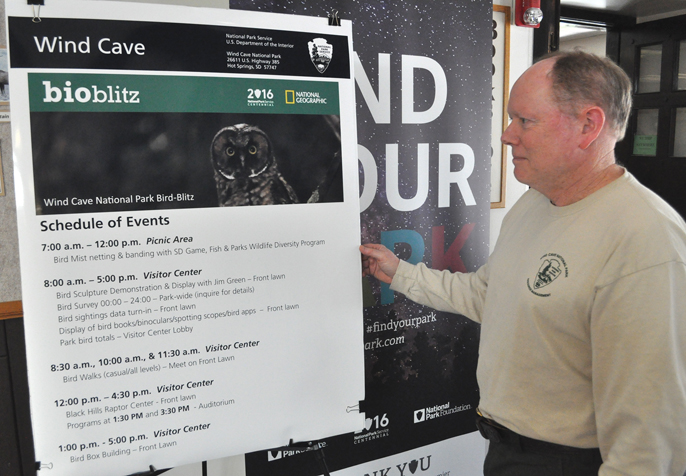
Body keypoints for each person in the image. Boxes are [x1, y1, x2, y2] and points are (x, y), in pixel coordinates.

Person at [360, 51, 686, 476]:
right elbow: (488, 296)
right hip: (508, 451)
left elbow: (649, 429)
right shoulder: (533, 204)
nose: (507, 136)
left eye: (524, 121)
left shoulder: (647, 240)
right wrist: (401, 274)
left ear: (589, 125)